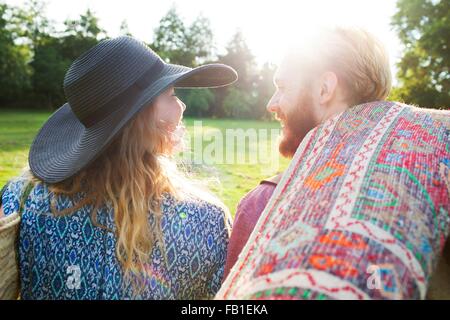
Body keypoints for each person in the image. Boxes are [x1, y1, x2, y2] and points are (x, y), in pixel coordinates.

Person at [0, 36, 237, 299]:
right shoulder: (205, 222)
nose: (181, 106)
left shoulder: (20, 202)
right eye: (170, 95)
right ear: (139, 120)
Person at [223, 27, 449, 299]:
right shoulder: (435, 180)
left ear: (324, 88)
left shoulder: (262, 202)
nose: (272, 103)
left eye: (282, 87)